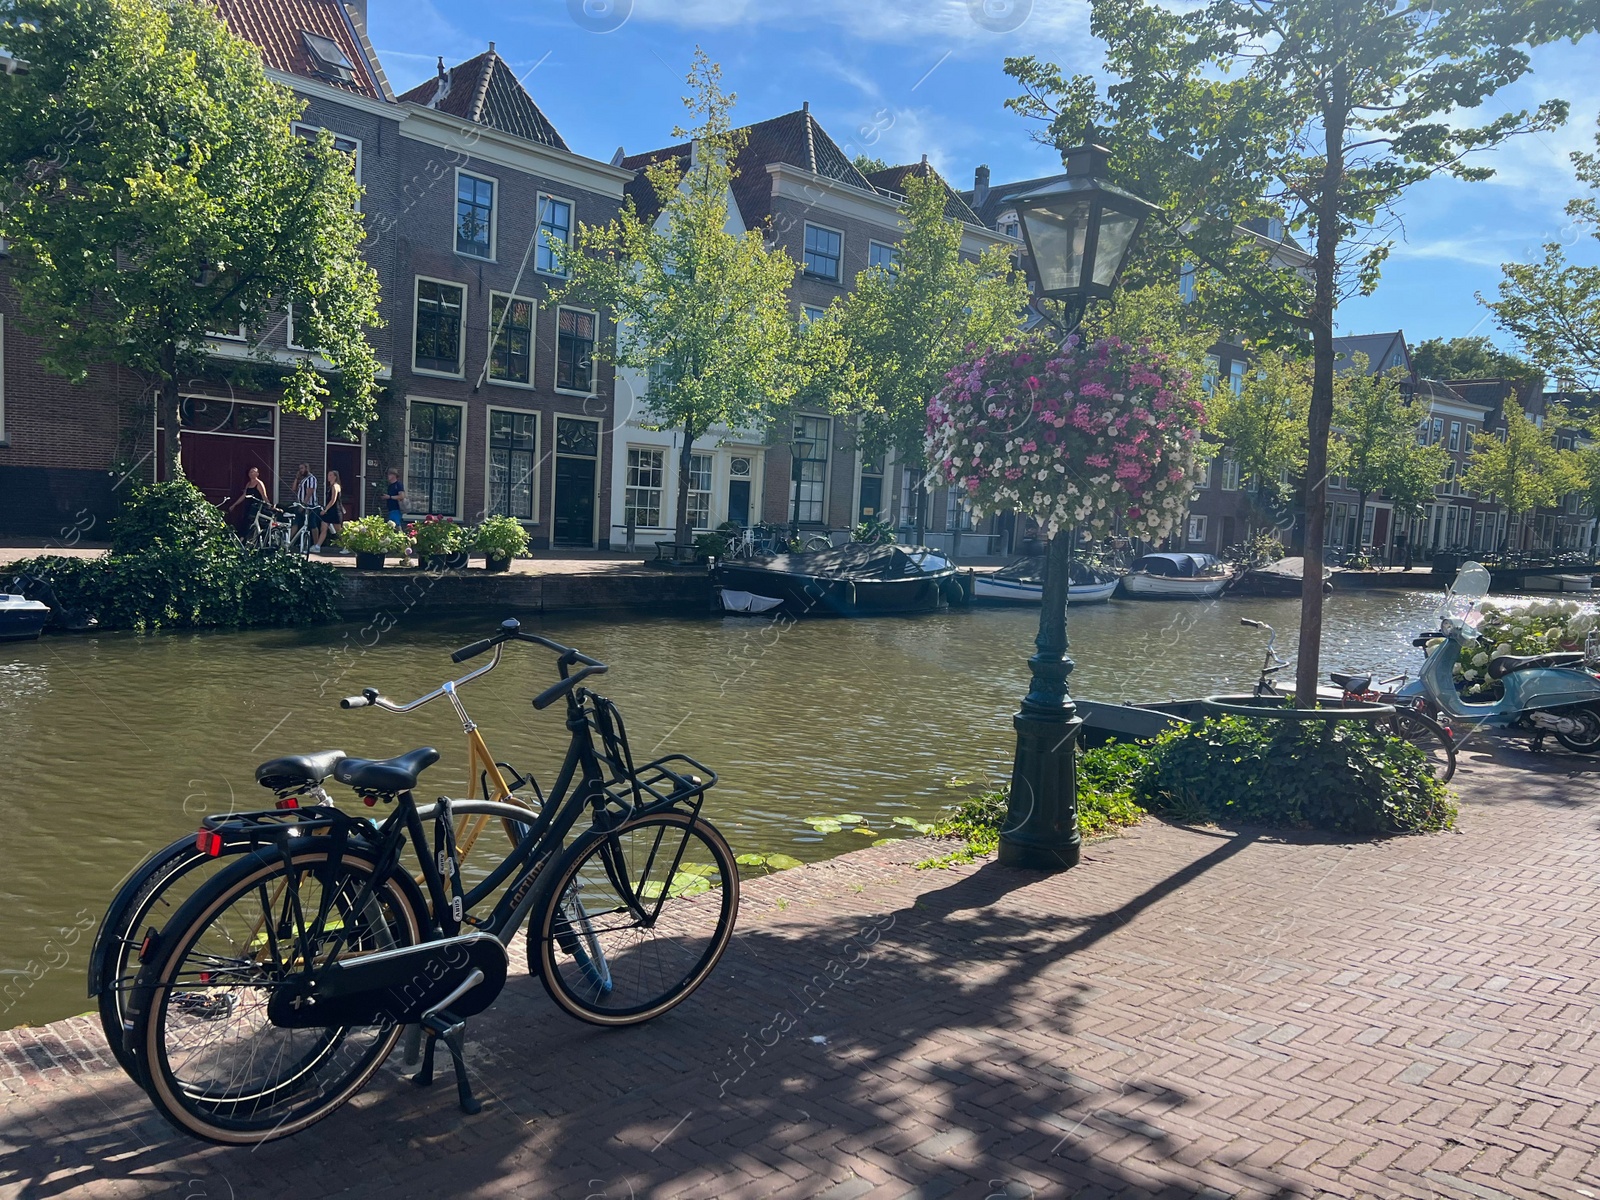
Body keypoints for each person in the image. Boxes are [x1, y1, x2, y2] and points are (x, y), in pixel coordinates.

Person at [227, 466, 271, 542]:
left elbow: (264, 495)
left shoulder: (259, 483)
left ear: (257, 474)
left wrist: (269, 505)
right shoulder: (248, 484)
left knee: (250, 522)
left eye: (253, 472)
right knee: (245, 521)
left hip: (256, 506)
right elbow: (244, 495)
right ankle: (242, 539)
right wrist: (234, 505)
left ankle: (246, 539)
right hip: (248, 505)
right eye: (250, 472)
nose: (251, 474)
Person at [311, 469, 344, 553]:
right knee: (324, 528)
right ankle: (318, 546)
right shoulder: (330, 486)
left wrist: (325, 510)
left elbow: (333, 500)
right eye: (328, 475)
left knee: (338, 531)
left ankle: (346, 547)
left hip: (335, 510)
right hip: (329, 511)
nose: (328, 477)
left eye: (331, 475)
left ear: (335, 477)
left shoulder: (335, 486)